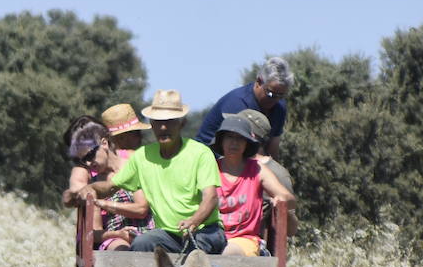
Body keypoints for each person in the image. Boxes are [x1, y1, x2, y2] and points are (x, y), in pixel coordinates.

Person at [84, 90, 227, 254]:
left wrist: (193, 221)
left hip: (205, 231)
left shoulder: (200, 153)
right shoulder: (142, 156)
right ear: (151, 123)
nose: (163, 127)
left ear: (182, 123)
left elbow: (210, 197)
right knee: (142, 243)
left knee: (195, 250)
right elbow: (110, 187)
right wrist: (89, 189)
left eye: (170, 121)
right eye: (158, 122)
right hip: (168, 235)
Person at [61, 116, 150, 250]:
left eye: (90, 155)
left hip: (147, 229)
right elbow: (74, 193)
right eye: (81, 160)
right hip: (112, 237)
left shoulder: (133, 160)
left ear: (104, 143)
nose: (88, 163)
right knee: (121, 250)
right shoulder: (88, 176)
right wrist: (118, 234)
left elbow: (142, 209)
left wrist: (103, 202)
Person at [213, 112, 296, 255]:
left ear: (247, 143)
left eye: (240, 138)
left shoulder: (257, 170)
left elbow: (289, 199)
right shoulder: (210, 168)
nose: (234, 143)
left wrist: (280, 199)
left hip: (244, 239)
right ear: (221, 141)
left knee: (227, 253)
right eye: (229, 137)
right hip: (213, 236)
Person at [194, 56, 294, 160]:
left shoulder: (279, 106)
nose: (275, 99)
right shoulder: (238, 103)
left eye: (281, 95)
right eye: (270, 93)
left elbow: (273, 146)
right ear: (259, 82)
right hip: (209, 157)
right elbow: (246, 149)